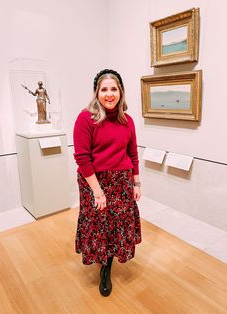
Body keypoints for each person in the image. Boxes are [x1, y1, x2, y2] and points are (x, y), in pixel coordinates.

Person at [73, 69, 142, 297]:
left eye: (114, 89)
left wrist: (136, 183)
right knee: (98, 224)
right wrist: (98, 192)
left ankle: (108, 264)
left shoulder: (127, 120)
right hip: (94, 181)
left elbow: (132, 153)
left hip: (121, 181)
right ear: (97, 93)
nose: (109, 94)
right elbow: (82, 159)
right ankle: (102, 266)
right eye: (104, 89)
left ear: (120, 92)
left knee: (117, 225)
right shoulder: (86, 118)